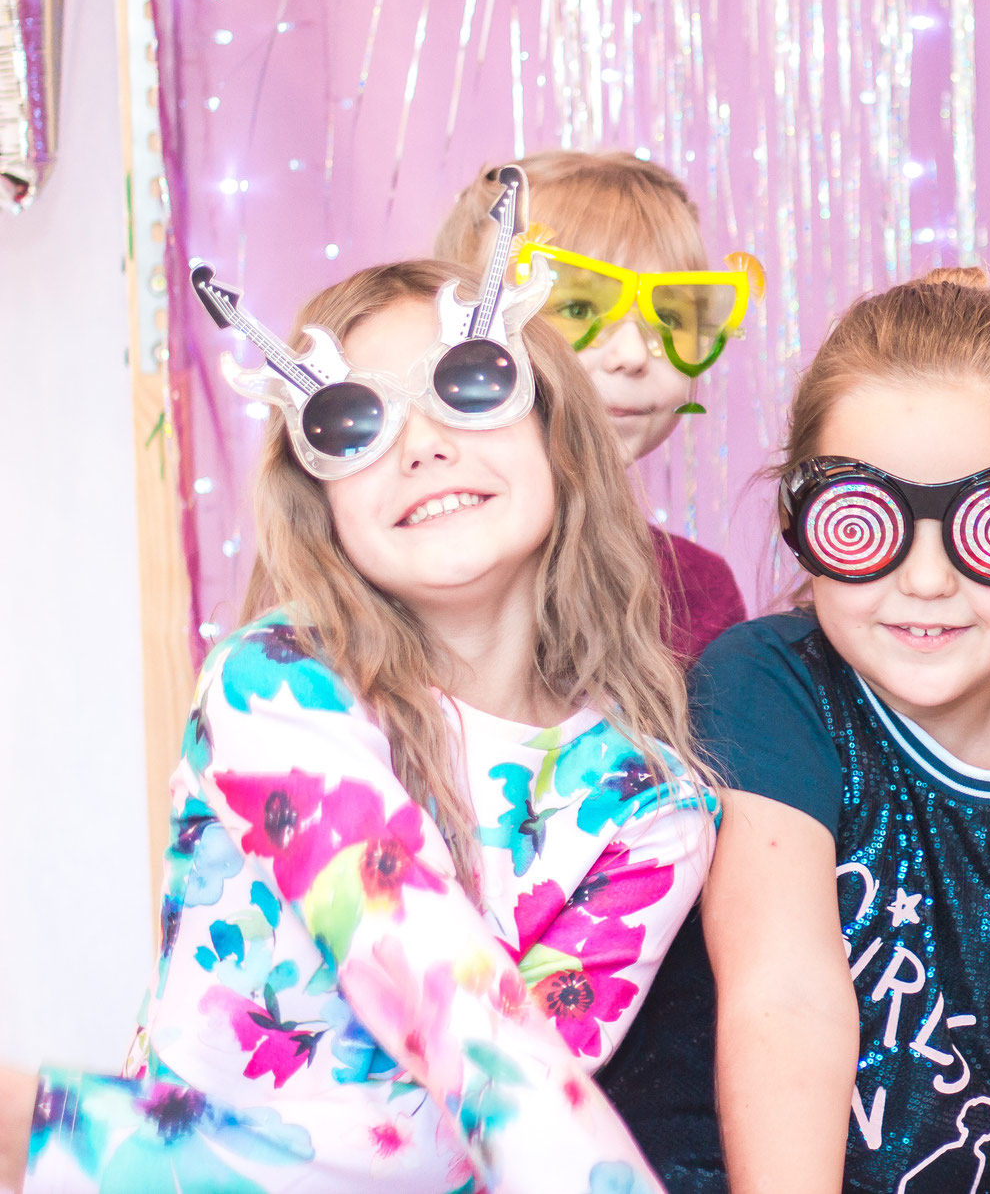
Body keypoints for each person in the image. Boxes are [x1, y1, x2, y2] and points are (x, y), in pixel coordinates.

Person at [1, 243, 715, 1192]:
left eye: (470, 383)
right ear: (321, 501)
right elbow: (439, 989)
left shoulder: (654, 806)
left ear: (558, 431)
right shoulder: (277, 684)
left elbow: (478, 1127)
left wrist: (55, 1131)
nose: (420, 445)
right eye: (351, 422)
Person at [597, 268, 990, 1193]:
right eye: (865, 520)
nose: (925, 579)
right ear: (798, 520)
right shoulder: (764, 681)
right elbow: (784, 998)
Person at [436, 150, 749, 664]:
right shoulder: (412, 558)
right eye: (578, 308)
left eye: (670, 317)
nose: (632, 355)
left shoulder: (699, 593)